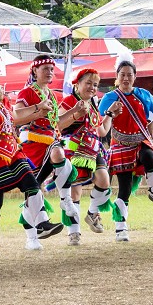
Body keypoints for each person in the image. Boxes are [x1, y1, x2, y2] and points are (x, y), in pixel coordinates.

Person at [0, 61, 59, 255]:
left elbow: (14, 116)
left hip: (13, 150)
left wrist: (37, 108)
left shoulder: (3, 99)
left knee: (31, 183)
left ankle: (42, 223)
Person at [98, 53, 153, 242]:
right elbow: (99, 119)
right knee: (125, 188)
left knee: (149, 157)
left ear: (135, 76)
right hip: (120, 145)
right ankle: (120, 228)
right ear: (117, 76)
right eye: (122, 74)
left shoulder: (143, 94)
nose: (126, 78)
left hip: (141, 140)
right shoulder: (109, 97)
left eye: (129, 74)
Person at [13, 55, 83, 229]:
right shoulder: (26, 92)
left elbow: (56, 124)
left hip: (50, 141)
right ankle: (34, 234)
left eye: (51, 69)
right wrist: (37, 112)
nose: (49, 72)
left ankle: (64, 200)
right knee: (34, 187)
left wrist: (75, 112)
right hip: (33, 142)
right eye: (45, 68)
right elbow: (16, 117)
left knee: (58, 157)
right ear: (34, 71)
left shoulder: (52, 95)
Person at [59, 68, 118, 246]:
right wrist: (76, 113)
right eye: (88, 83)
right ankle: (74, 232)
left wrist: (109, 114)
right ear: (77, 84)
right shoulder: (69, 101)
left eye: (95, 85)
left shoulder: (93, 103)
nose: (92, 87)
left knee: (104, 180)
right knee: (75, 191)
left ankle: (92, 213)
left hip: (92, 149)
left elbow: (100, 130)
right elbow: (58, 125)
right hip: (73, 149)